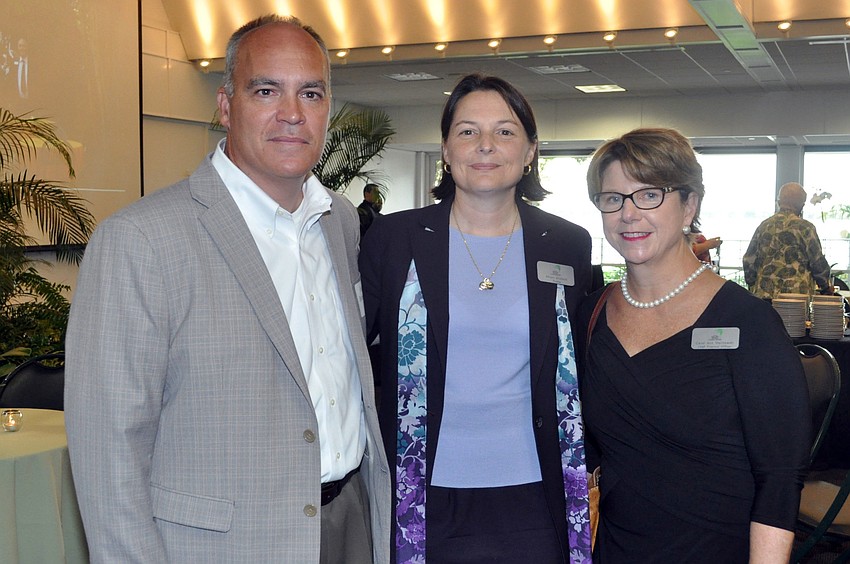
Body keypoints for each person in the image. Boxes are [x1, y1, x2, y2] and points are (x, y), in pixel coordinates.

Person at [64, 15, 390, 564]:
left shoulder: (339, 221)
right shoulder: (140, 239)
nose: (292, 113)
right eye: (266, 90)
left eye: (310, 93)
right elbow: (107, 452)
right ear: (225, 106)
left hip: (351, 524)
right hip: (222, 546)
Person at [360, 73, 594, 563]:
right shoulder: (393, 238)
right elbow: (358, 354)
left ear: (531, 150)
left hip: (535, 489)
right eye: (467, 131)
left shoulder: (568, 244)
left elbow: (576, 362)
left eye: (505, 132)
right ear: (445, 148)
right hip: (423, 491)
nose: (485, 145)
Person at [579, 128, 810, 563]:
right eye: (612, 198)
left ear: (690, 205)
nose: (628, 214)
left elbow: (779, 478)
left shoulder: (748, 323)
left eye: (648, 195)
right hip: (613, 549)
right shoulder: (588, 316)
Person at [743, 181, 833, 298]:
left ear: (779, 202)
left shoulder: (764, 226)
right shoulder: (805, 228)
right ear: (801, 205)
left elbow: (749, 260)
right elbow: (817, 263)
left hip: (765, 296)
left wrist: (753, 282)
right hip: (797, 298)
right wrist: (826, 287)